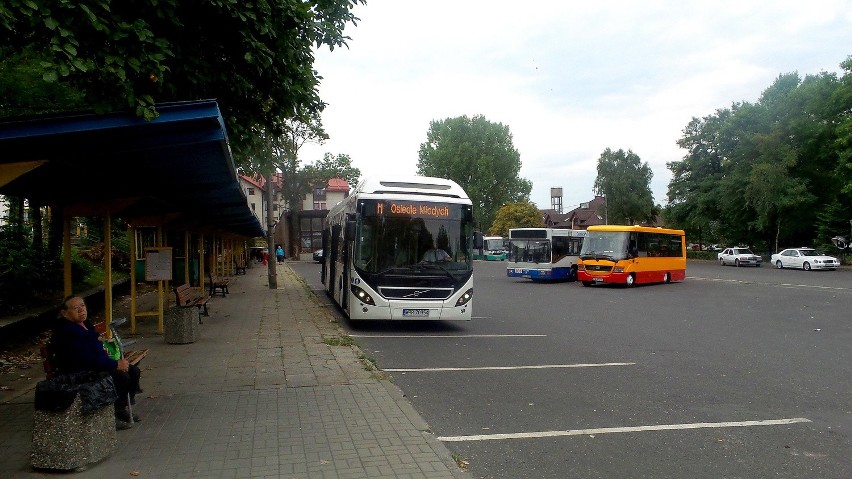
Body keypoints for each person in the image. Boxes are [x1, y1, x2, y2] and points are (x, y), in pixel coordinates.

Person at [50, 295, 142, 430]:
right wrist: (115, 364)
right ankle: (111, 416)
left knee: (133, 371)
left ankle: (120, 408)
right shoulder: (66, 330)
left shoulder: (84, 324)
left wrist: (115, 362)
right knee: (121, 376)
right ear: (64, 313)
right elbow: (88, 358)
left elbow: (95, 353)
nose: (81, 310)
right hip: (78, 372)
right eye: (76, 308)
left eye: (83, 306)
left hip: (92, 365)